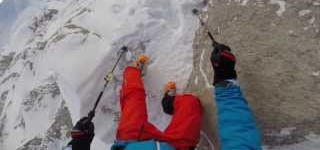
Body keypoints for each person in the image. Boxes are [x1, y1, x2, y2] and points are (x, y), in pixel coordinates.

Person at [67, 43, 262, 150]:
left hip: (129, 143)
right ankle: (170, 102)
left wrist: (77, 146)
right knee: (191, 104)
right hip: (175, 147)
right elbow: (241, 139)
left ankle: (135, 71)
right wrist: (225, 80)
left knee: (133, 99)